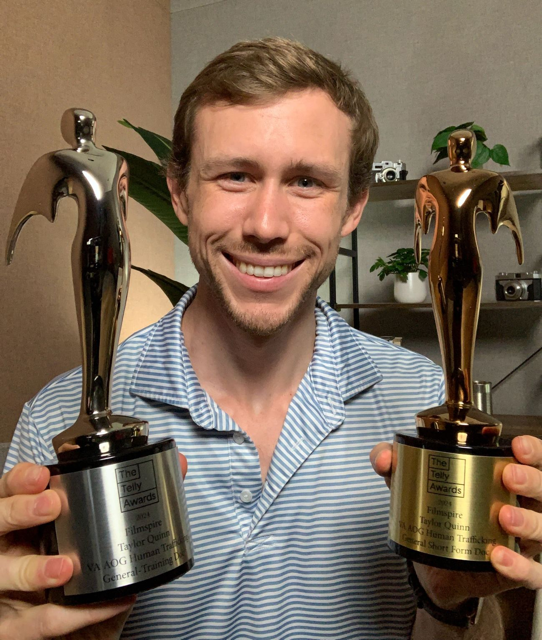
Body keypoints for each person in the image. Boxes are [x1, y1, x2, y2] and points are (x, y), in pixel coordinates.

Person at [1, 37, 540, 640]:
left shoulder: (418, 398)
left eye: (307, 182)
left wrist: (452, 600)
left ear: (354, 206)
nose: (265, 226)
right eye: (235, 175)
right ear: (179, 192)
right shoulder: (51, 421)